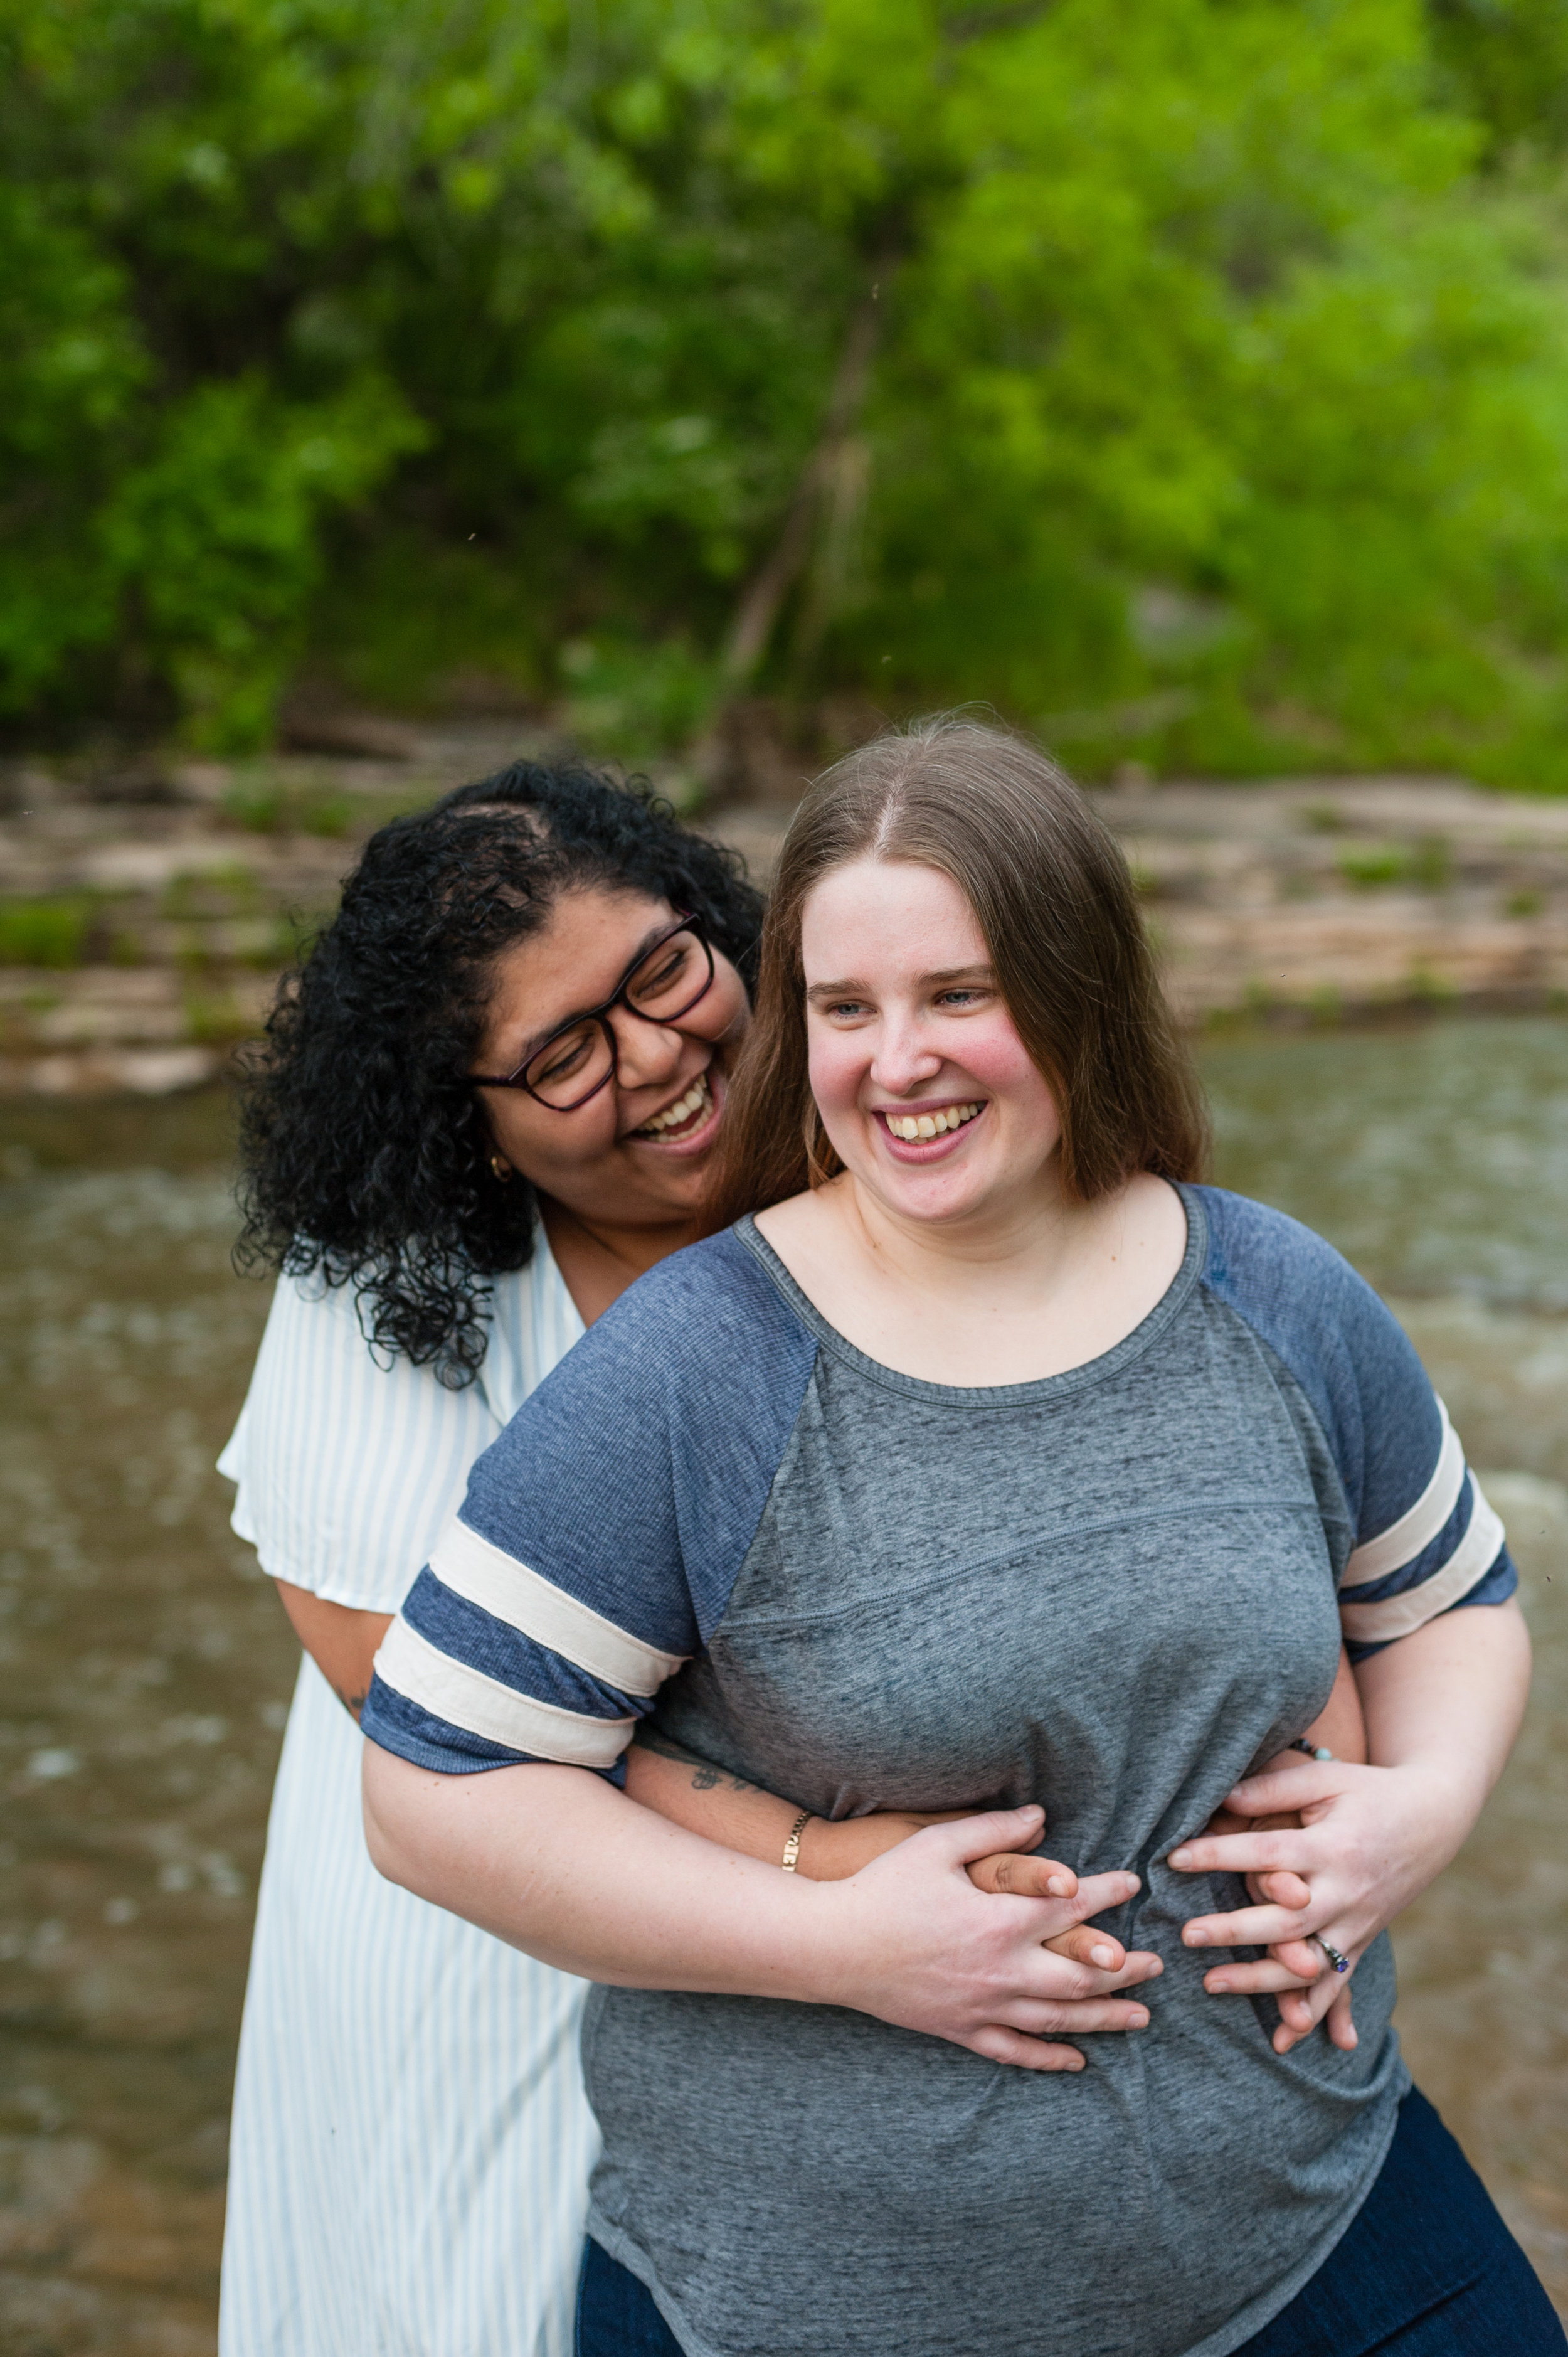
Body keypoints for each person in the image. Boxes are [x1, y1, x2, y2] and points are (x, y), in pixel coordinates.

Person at [361, 717, 1560, 2357]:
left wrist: (1414, 1812)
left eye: (958, 995)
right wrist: (841, 1940)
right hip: (824, 2299)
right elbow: (433, 1789)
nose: (894, 1060)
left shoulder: (1268, 1288)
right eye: (844, 1007)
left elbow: (1450, 1601)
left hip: (1322, 2220)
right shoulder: (697, 1369)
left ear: (1076, 988)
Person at [217, 755, 1167, 2357]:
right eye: (563, 1053)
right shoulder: (379, 1285)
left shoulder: (889, 1133)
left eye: (661, 969)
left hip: (856, 1977)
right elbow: (408, 1688)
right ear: (472, 1124)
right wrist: (819, 1856)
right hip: (482, 1941)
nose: (659, 1056)